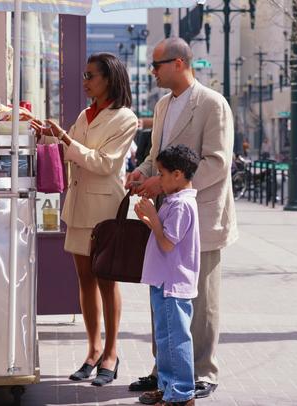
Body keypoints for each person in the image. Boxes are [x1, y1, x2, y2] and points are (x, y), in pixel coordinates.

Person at [125, 37, 238, 402]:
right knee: (163, 292)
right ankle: (165, 372)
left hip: (201, 216)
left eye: (156, 65)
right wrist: (142, 174)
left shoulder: (212, 104)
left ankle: (202, 372)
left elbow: (218, 162)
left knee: (201, 300)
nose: (152, 72)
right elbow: (156, 155)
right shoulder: (161, 106)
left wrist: (167, 183)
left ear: (179, 63)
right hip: (167, 216)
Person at [31, 53, 138, 386]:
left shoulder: (126, 119)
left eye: (90, 75)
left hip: (104, 210)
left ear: (109, 79)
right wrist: (43, 135)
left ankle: (111, 352)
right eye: (85, 74)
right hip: (78, 207)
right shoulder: (86, 113)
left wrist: (63, 137)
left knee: (106, 279)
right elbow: (69, 150)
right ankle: (92, 351)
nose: (85, 80)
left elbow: (104, 163)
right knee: (85, 279)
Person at [134, 144, 200, 406]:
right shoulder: (175, 201)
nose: (158, 179)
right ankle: (168, 387)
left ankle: (182, 393)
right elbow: (163, 235)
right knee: (165, 339)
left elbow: (167, 243)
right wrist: (148, 219)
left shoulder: (182, 205)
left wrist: (152, 217)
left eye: (161, 174)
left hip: (173, 283)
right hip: (164, 281)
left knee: (176, 339)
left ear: (178, 174)